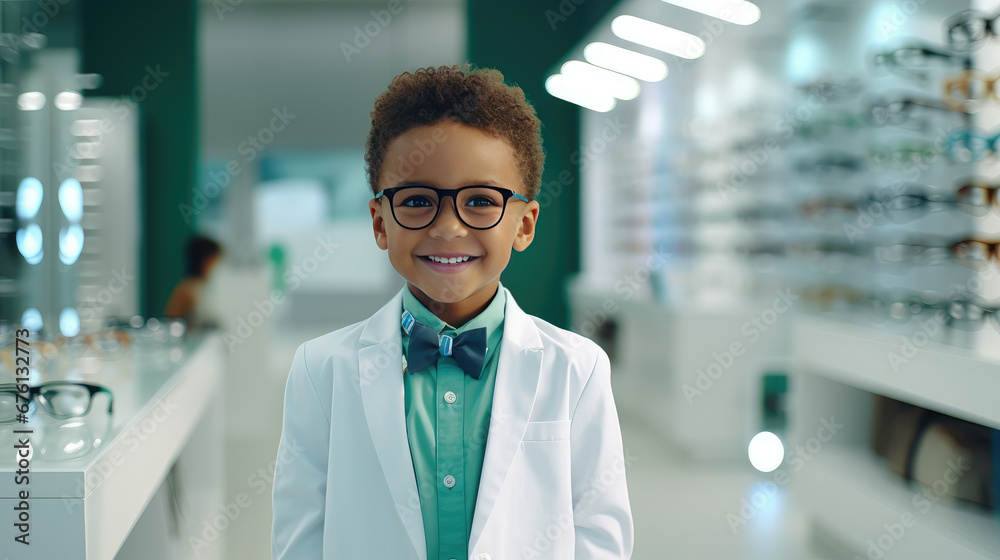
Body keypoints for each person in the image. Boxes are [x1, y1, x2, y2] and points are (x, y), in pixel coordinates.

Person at [271, 64, 633, 560]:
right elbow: (300, 536)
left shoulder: (579, 368)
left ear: (524, 225)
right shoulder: (320, 369)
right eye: (417, 200)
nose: (447, 228)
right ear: (380, 222)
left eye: (481, 201)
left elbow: (599, 535)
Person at [164, 235, 222, 329]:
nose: (214, 267)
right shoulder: (187, 289)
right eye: (213, 262)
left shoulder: (200, 287)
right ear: (204, 261)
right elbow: (170, 323)